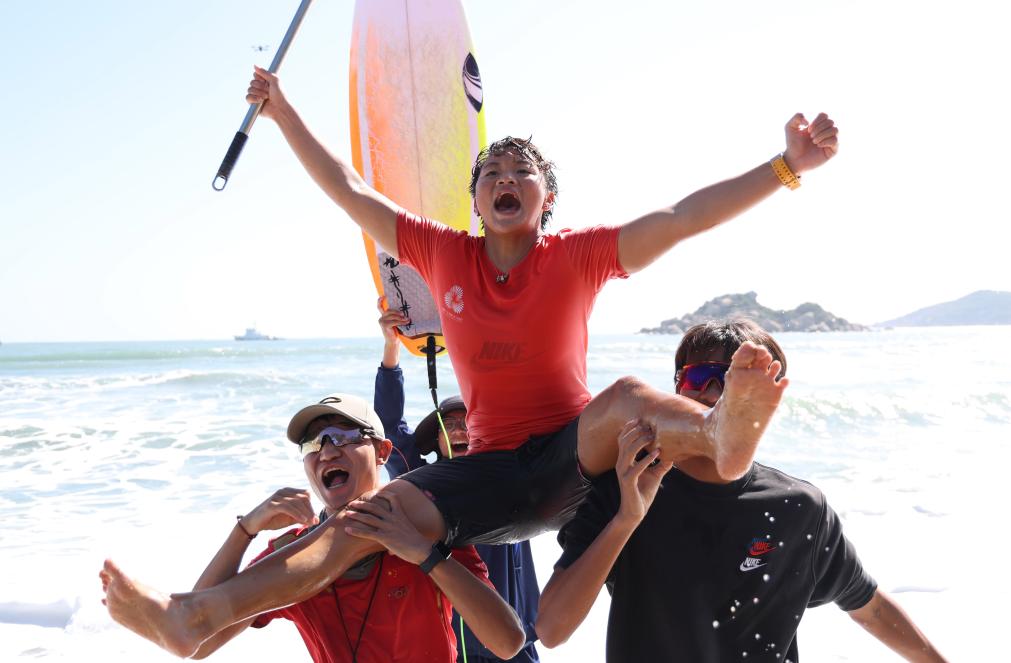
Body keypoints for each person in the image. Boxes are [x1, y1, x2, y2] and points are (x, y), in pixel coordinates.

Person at [100, 63, 838, 657]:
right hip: (486, 477)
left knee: (623, 396)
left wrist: (786, 166)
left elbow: (681, 218)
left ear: (547, 199)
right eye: (492, 173)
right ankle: (193, 618)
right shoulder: (442, 252)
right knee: (366, 515)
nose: (506, 178)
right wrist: (283, 111)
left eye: (523, 172)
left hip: (569, 459)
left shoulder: (578, 256)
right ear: (475, 201)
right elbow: (349, 190)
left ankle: (720, 435)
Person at [535, 319, 949, 662]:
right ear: (676, 390)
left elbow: (870, 607)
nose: (713, 393)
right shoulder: (627, 485)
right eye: (699, 378)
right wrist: (627, 519)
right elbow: (551, 630)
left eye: (731, 383)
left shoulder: (796, 507)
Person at [101, 393, 526, 662]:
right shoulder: (293, 555)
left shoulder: (422, 529)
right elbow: (197, 640)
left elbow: (508, 642)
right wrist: (244, 530)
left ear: (382, 451)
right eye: (312, 443)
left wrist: (424, 556)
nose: (326, 451)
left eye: (343, 436)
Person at [375, 301, 541, 663]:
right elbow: (389, 427)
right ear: (435, 439)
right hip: (448, 648)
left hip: (513, 643)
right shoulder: (420, 485)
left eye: (468, 422)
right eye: (448, 425)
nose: (459, 431)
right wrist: (391, 348)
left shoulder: (511, 474)